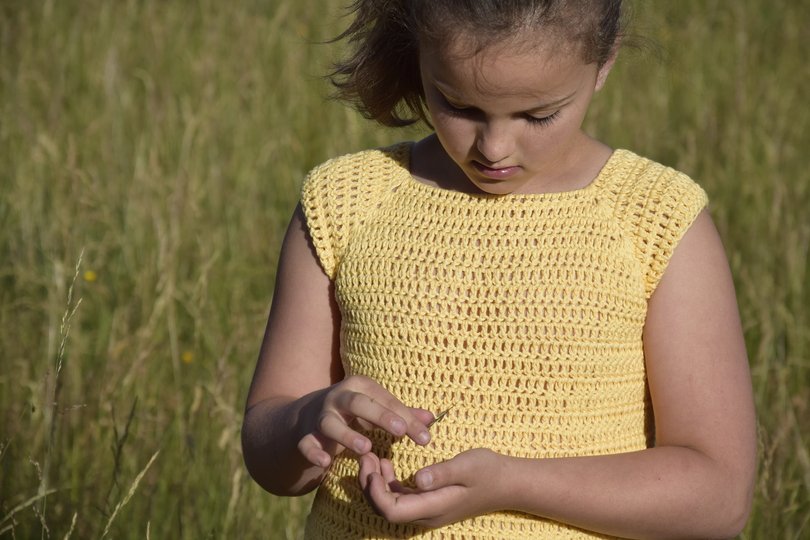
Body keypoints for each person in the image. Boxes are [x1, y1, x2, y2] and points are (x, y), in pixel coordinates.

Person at [241, 0, 757, 538]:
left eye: (538, 115)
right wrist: (309, 422)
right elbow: (266, 447)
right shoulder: (345, 201)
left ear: (604, 62)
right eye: (459, 105)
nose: (494, 148)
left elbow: (720, 497)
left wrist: (512, 484)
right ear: (417, 52)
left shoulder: (654, 218)